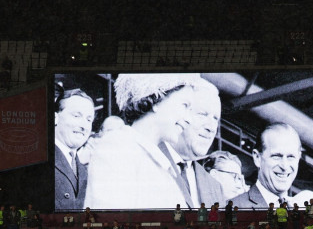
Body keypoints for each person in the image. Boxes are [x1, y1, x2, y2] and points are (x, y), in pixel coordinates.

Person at [84, 74, 218, 209]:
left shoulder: (163, 164)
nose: (188, 118)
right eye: (184, 105)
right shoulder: (118, 148)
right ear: (157, 99)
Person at [159, 79, 226, 208]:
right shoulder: (147, 157)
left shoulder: (215, 187)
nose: (211, 127)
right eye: (202, 114)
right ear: (181, 114)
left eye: (215, 119)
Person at [54, 85, 96, 211]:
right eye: (76, 116)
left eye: (89, 120)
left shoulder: (84, 169)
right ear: (55, 118)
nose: (84, 125)